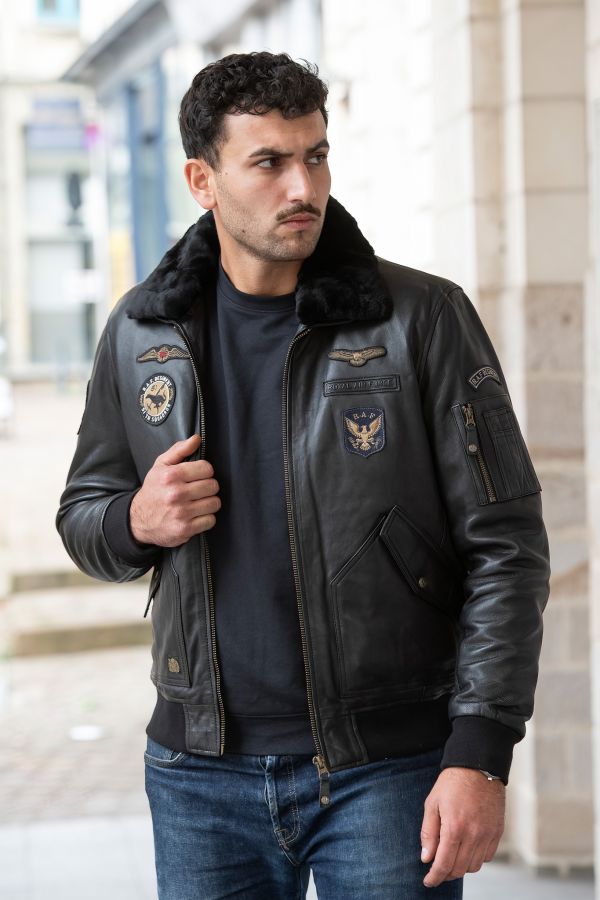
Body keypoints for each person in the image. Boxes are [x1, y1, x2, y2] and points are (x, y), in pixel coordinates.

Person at [56, 51, 550, 899]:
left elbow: (507, 546)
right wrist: (136, 520)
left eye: (315, 156)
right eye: (269, 162)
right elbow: (81, 515)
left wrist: (481, 753)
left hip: (386, 766)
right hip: (198, 774)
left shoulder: (422, 318)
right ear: (203, 181)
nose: (303, 187)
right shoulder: (142, 332)